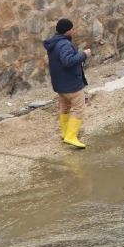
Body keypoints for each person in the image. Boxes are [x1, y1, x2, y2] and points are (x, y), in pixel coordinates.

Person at [43, 18, 91, 149]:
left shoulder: (54, 43)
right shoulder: (64, 44)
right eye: (71, 29)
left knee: (64, 108)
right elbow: (67, 61)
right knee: (79, 109)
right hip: (71, 84)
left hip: (59, 84)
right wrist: (84, 55)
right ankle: (71, 137)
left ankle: (65, 134)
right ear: (68, 31)